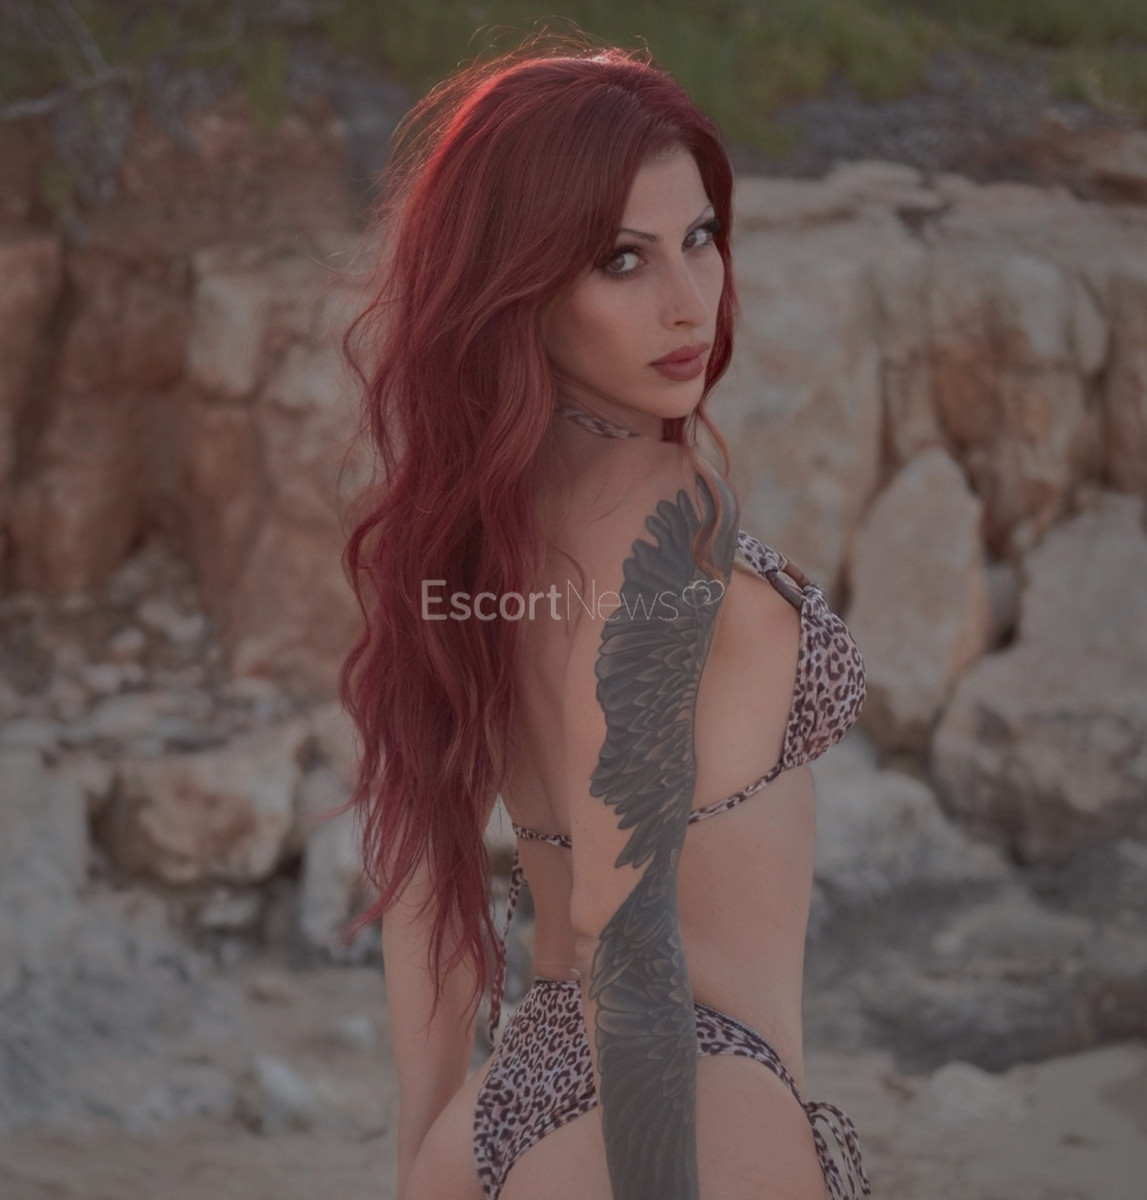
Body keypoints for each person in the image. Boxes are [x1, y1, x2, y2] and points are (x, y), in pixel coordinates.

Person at [339, 32, 871, 1200]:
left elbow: (423, 876)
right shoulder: (671, 529)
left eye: (699, 239)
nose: (687, 303)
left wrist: (427, 1158)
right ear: (520, 285)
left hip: (505, 1103)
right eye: (621, 262)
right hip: (686, 1092)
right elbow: (618, 935)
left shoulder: (476, 532)